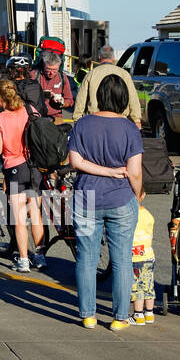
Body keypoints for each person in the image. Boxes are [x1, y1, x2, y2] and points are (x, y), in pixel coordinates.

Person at [67, 74, 142, 330]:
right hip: (121, 197)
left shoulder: (82, 125)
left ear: (99, 97)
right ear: (123, 99)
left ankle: (88, 315)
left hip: (86, 197)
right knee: (122, 259)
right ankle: (120, 318)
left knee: (87, 258)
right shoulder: (130, 128)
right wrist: (138, 195)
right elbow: (134, 172)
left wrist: (101, 171)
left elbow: (75, 162)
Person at [0, 79, 46, 272]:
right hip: (33, 167)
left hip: (14, 170)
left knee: (20, 218)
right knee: (36, 215)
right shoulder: (30, 110)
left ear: (0, 98)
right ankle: (39, 256)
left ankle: (23, 260)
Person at [72, 45, 142, 128]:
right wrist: (137, 120)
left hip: (95, 121)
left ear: (99, 57)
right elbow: (133, 99)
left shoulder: (91, 74)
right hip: (119, 122)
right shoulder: (124, 74)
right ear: (113, 58)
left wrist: (77, 119)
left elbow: (81, 100)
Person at [130, 191, 155, 325]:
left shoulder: (130, 214)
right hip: (148, 255)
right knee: (148, 285)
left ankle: (138, 315)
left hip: (135, 256)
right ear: (144, 195)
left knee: (137, 286)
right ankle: (149, 313)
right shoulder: (148, 214)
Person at [34, 48, 76, 120]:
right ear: (43, 66)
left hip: (56, 117)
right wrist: (41, 94)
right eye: (48, 69)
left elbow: (69, 100)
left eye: (54, 70)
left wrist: (62, 103)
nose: (51, 73)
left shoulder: (62, 77)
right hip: (37, 116)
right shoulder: (34, 75)